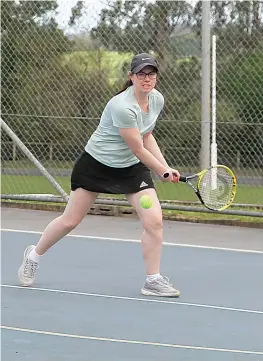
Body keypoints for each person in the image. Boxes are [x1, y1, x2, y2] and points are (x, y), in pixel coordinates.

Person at [18, 53, 181, 298]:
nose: (147, 78)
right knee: (70, 221)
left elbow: (147, 136)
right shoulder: (121, 106)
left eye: (151, 73)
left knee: (154, 221)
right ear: (131, 77)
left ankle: (153, 279)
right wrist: (161, 170)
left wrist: (166, 166)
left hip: (131, 168)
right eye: (141, 74)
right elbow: (137, 147)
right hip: (97, 165)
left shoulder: (156, 99)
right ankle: (34, 255)